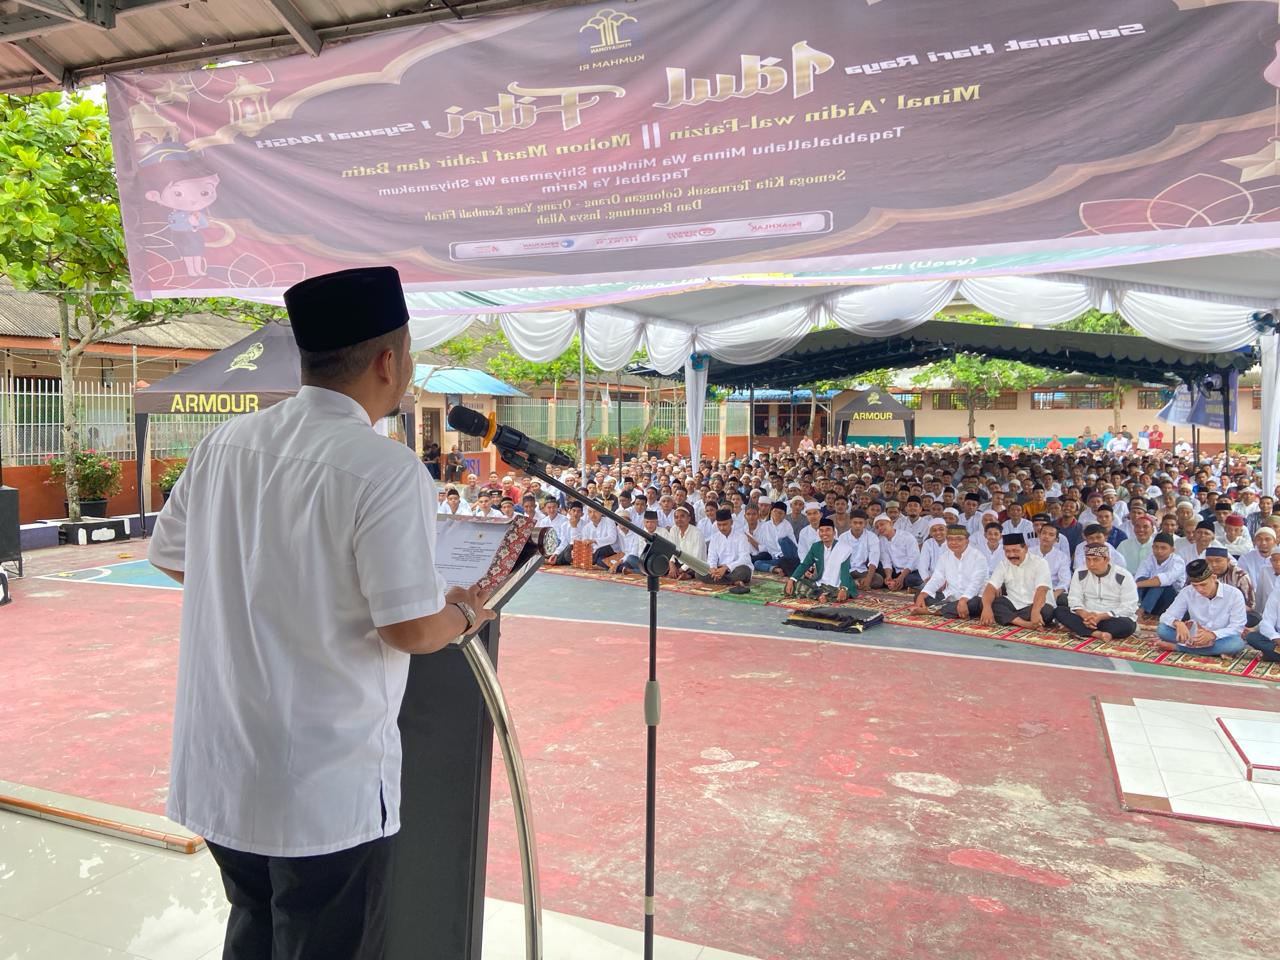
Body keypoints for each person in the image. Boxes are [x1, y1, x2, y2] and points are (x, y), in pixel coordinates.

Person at [148, 266, 495, 959]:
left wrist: (265, 590)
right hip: (320, 779)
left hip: (222, 762)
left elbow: (172, 555)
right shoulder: (384, 468)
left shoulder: (225, 444)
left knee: (252, 923)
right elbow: (408, 628)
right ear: (389, 361)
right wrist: (464, 614)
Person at [1156, 558, 1248, 658]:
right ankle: (1212, 651)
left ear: (1214, 577)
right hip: (1194, 636)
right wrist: (1177, 623)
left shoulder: (1234, 594)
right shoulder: (1187, 592)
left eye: (1203, 584)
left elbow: (1237, 627)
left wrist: (1212, 635)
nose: (1199, 589)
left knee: (1236, 643)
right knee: (1162, 629)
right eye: (1195, 586)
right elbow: (1166, 616)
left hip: (1219, 638)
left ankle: (1179, 648)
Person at [1057, 543, 1140, 641]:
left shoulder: (1123, 576)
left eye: (1095, 560)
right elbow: (1074, 598)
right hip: (1087, 615)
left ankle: (1079, 628)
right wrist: (1085, 614)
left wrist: (1102, 616)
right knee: (1059, 611)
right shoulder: (1080, 573)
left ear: (1106, 560)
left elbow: (1129, 606)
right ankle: (1097, 633)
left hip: (1111, 617)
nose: (1091, 564)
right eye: (1088, 559)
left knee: (1128, 625)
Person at [908, 524, 988, 619]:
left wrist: (963, 600)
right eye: (950, 539)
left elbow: (976, 583)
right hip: (951, 596)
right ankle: (950, 608)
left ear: (967, 540)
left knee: (975, 604)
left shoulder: (978, 557)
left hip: (973, 597)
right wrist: (923, 594)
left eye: (959, 539)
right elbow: (937, 578)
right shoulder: (945, 556)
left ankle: (932, 611)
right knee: (920, 596)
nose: (954, 542)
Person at [981, 534, 1055, 629]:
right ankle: (1026, 624)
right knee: (991, 603)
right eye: (1007, 551)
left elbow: (1042, 590)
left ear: (1026, 549)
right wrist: (986, 608)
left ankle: (1011, 619)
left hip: (1035, 605)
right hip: (1014, 603)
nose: (1011, 555)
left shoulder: (1040, 563)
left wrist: (1035, 611)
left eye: (1015, 551)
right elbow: (991, 587)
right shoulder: (1003, 564)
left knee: (1047, 612)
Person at [785, 517, 855, 602]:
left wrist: (843, 588)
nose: (824, 533)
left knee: (842, 593)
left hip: (838, 585)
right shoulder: (816, 547)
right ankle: (820, 596)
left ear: (834, 532)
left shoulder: (844, 549)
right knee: (793, 584)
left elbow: (845, 572)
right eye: (821, 531)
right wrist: (792, 579)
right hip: (820, 583)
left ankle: (818, 595)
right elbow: (805, 564)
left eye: (828, 530)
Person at [1133, 532, 1186, 620]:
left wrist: (1135, 585)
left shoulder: (1178, 562)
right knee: (1142, 579)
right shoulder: (1149, 559)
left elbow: (1163, 581)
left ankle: (1141, 612)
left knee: (1159, 584)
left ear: (1172, 550)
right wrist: (1136, 584)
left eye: (1163, 548)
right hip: (1150, 598)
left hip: (1171, 599)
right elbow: (1138, 578)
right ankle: (1134, 607)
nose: (1158, 551)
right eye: (1156, 547)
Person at [702, 508, 754, 590]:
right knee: (699, 572)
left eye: (725, 524)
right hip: (719, 570)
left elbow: (744, 558)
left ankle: (722, 580)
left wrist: (726, 567)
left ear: (731, 523)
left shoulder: (741, 537)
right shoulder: (715, 537)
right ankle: (733, 582)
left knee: (744, 571)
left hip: (735, 569)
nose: (722, 528)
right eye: (719, 525)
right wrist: (713, 569)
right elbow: (712, 557)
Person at [1245, 555, 1280, 662]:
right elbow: (1266, 622)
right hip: (1278, 638)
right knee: (1252, 637)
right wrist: (1275, 637)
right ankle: (1274, 653)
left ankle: (1273, 654)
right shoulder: (1276, 595)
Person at [875, 514, 919, 590]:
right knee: (878, 569)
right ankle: (894, 583)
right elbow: (886, 561)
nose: (880, 528)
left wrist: (901, 578)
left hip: (912, 571)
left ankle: (899, 583)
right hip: (896, 571)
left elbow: (913, 560)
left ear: (891, 523)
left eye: (882, 524)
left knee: (910, 580)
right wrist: (888, 576)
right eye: (877, 527)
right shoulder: (881, 540)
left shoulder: (907, 536)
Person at [662, 505, 706, 580]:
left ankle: (688, 575)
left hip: (694, 564)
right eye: (676, 517)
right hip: (678, 562)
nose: (679, 519)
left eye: (682, 516)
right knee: (660, 565)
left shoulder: (697, 533)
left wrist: (680, 570)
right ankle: (683, 574)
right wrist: (672, 565)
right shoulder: (673, 529)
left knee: (698, 570)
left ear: (689, 518)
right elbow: (670, 549)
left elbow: (696, 557)